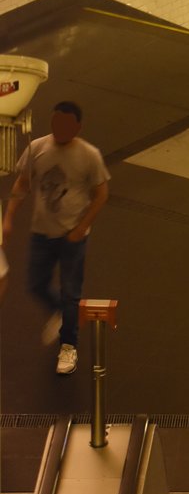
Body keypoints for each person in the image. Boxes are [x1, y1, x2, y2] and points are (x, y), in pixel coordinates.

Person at [1, 101, 110, 375]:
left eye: (65, 125)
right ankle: (59, 313)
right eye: (55, 123)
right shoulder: (38, 148)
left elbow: (101, 194)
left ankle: (68, 346)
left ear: (77, 126)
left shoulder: (89, 155)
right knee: (35, 284)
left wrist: (81, 226)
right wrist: (9, 216)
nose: (58, 129)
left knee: (71, 293)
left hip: (74, 236)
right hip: (41, 232)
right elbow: (22, 184)